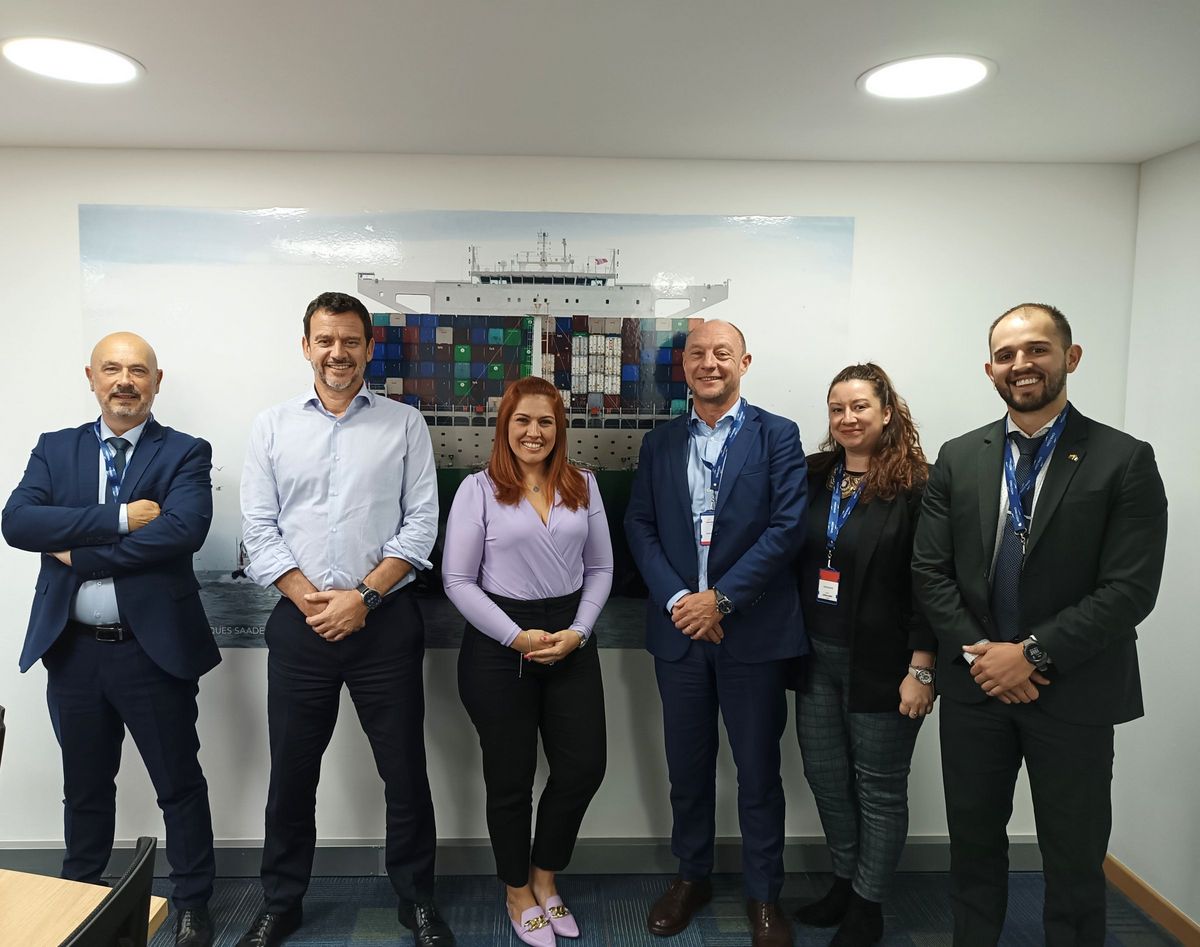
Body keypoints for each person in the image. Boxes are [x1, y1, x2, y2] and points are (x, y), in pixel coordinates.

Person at [912, 303, 1168, 946]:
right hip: (976, 690)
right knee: (973, 846)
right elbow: (930, 572)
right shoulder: (958, 457)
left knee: (1074, 856)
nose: (1020, 364)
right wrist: (986, 657)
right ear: (990, 370)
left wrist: (1028, 654)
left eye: (1037, 350)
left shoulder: (1124, 459)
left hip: (1075, 689)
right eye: (1006, 355)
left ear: (1070, 357)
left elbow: (1130, 589)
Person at [236, 292, 452, 947]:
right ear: (306, 346)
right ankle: (281, 902)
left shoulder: (405, 424)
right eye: (325, 340)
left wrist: (363, 597)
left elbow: (421, 524)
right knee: (292, 775)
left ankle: (416, 900)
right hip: (299, 625)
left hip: (384, 622)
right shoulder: (271, 427)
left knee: (405, 773)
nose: (338, 352)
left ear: (368, 348)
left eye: (350, 340)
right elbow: (258, 528)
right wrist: (312, 599)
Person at [2, 332, 220, 947]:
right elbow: (18, 522)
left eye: (138, 370)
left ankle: (193, 903)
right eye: (112, 369)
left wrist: (80, 553)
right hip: (73, 652)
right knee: (85, 786)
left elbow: (182, 532)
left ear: (156, 381)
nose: (125, 381)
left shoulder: (185, 452)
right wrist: (120, 519)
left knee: (178, 784)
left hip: (152, 651)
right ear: (92, 378)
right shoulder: (55, 449)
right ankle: (78, 897)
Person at [624, 320, 807, 947]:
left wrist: (721, 601)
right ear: (683, 367)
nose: (709, 363)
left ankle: (764, 894)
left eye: (722, 353)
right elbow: (640, 525)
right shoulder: (659, 443)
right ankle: (691, 876)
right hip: (679, 634)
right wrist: (681, 601)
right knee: (688, 768)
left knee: (758, 772)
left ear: (744, 363)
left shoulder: (778, 435)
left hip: (750, 634)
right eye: (698, 354)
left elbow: (787, 527)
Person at [442, 375, 612, 946]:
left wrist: (579, 631)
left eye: (545, 421)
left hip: (571, 638)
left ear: (559, 427)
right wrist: (516, 637)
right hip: (499, 646)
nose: (534, 431)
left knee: (584, 767)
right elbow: (458, 581)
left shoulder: (583, 484)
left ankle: (544, 876)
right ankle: (516, 890)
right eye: (522, 420)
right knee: (510, 778)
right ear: (504, 427)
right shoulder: (478, 490)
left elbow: (601, 568)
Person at [791, 363, 933, 947]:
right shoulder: (813, 474)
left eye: (859, 407)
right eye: (837, 409)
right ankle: (845, 883)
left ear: (887, 412)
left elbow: (933, 582)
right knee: (826, 777)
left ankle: (868, 904)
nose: (847, 419)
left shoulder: (919, 486)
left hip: (884, 661)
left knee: (878, 787)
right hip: (813, 655)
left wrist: (922, 667)